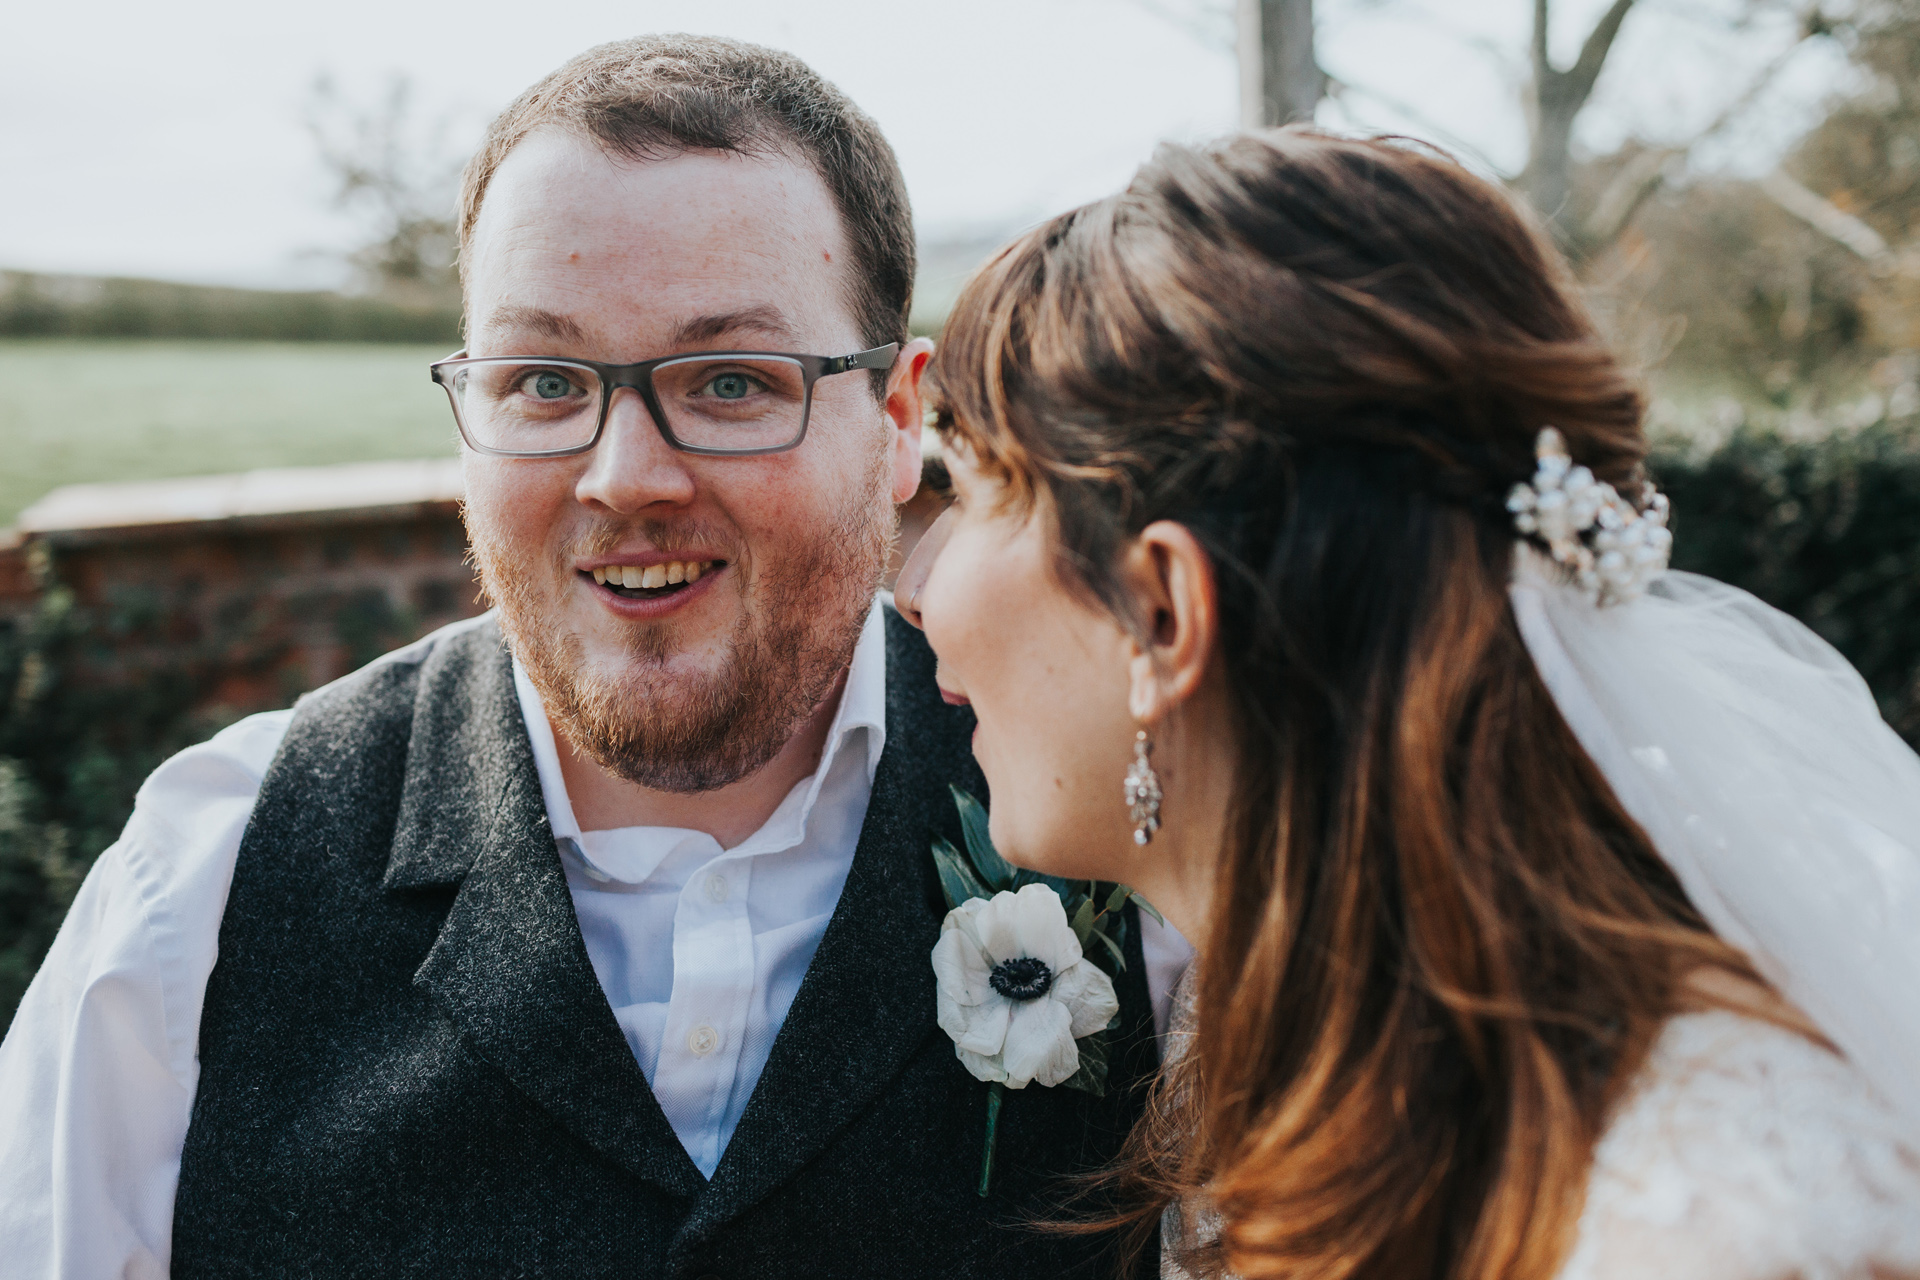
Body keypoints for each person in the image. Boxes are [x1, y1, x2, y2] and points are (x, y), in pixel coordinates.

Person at [0, 36, 1185, 1278]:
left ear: (895, 419)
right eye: (544, 381)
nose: (625, 476)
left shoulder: (1135, 857)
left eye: (731, 379)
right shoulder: (205, 879)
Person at [895, 128, 1920, 1280]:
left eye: (969, 493)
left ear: (1165, 613)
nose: (919, 588)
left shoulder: (1714, 1225)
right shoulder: (1268, 1034)